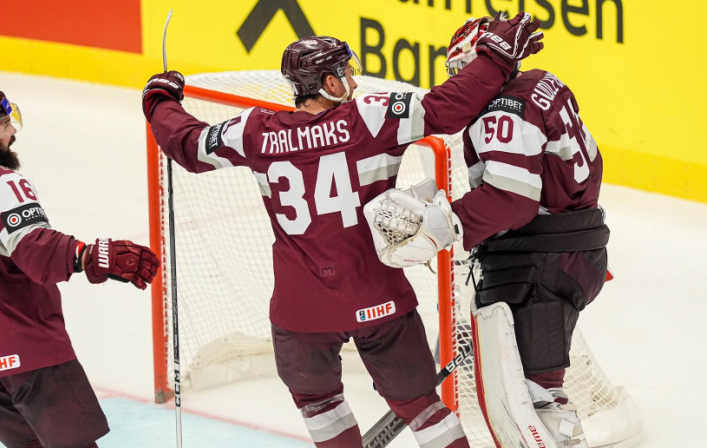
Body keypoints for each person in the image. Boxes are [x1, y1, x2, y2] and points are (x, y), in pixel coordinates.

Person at [142, 13, 542, 448]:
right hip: (378, 298)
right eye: (346, 70)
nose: (353, 76)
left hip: (301, 312)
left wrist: (160, 100)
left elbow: (188, 145)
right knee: (425, 411)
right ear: (330, 84)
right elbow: (448, 107)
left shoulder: (254, 132)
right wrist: (495, 59)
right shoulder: (370, 118)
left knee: (320, 405)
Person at [0, 83, 160, 448]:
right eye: (4, 126)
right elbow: (37, 250)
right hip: (29, 353)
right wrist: (91, 256)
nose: (12, 133)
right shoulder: (1, 183)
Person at [442, 14, 609, 447]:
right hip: (576, 248)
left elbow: (511, 199)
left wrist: (448, 222)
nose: (462, 84)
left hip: (539, 264)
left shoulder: (502, 109)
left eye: (463, 71)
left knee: (533, 399)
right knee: (538, 389)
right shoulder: (540, 82)